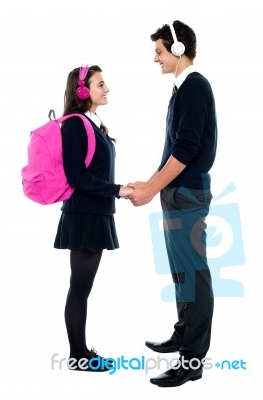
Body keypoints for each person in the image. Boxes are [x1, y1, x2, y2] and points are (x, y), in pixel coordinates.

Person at [128, 20, 217, 387]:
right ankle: (184, 334)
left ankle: (192, 361)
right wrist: (149, 184)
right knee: (181, 273)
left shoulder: (195, 86)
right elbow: (172, 152)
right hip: (176, 194)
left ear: (178, 50)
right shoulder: (182, 90)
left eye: (159, 51)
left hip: (188, 194)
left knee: (193, 276)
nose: (155, 58)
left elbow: (186, 150)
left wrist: (151, 191)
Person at [54, 64, 132, 372]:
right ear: (83, 91)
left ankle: (80, 352)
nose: (107, 88)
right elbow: (77, 177)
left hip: (96, 213)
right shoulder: (75, 124)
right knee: (80, 287)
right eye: (101, 84)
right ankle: (78, 355)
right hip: (85, 215)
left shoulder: (93, 123)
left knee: (82, 286)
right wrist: (118, 190)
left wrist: (119, 190)